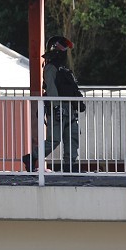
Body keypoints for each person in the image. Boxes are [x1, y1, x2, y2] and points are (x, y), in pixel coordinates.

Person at [22, 35, 83, 172]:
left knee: (72, 136)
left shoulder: (64, 68)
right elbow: (51, 89)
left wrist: (78, 101)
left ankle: (70, 166)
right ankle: (32, 157)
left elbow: (72, 88)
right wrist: (56, 107)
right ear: (55, 49)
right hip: (57, 108)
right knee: (54, 140)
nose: (65, 53)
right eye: (63, 49)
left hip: (69, 108)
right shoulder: (50, 68)